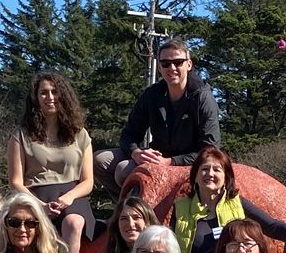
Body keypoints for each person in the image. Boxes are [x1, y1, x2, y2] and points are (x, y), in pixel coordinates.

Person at [94, 39, 222, 193]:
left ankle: (142, 211)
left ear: (189, 65)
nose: (172, 68)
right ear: (159, 67)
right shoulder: (152, 95)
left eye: (178, 62)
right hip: (157, 157)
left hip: (188, 164)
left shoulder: (203, 98)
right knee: (100, 160)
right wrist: (136, 153)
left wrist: (170, 162)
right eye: (166, 63)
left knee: (124, 170)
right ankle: (127, 212)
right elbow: (129, 134)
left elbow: (210, 149)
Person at [170, 146, 286, 253]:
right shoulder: (181, 207)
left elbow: (273, 227)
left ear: (226, 178)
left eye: (217, 169)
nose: (210, 173)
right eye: (204, 169)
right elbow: (171, 250)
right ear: (195, 176)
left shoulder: (237, 204)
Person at [8, 71, 96, 253]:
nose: (50, 97)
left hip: (72, 196)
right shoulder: (21, 135)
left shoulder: (80, 134)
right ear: (36, 98)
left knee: (73, 224)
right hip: (34, 196)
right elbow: (15, 182)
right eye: (44, 92)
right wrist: (40, 206)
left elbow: (88, 182)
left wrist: (68, 198)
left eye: (55, 92)